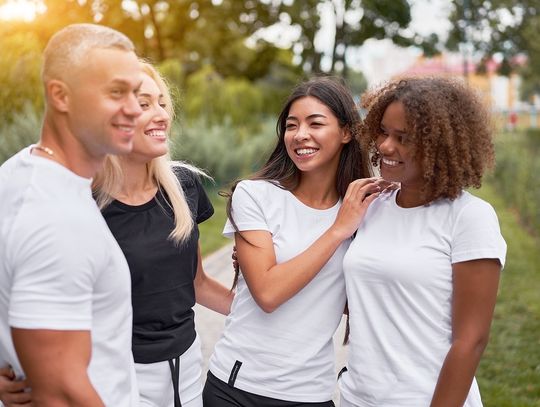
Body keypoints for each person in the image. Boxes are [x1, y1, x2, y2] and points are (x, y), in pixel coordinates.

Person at [203, 77, 388, 406]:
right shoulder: (256, 195)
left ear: (346, 133)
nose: (300, 135)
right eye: (292, 125)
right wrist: (336, 231)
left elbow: (357, 300)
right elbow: (268, 293)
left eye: (315, 123)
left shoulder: (363, 211)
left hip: (311, 392)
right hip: (239, 388)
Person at [339, 76, 507, 406]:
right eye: (383, 131)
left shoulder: (469, 217)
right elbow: (355, 297)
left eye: (403, 138)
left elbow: (470, 340)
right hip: (358, 398)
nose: (386, 146)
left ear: (439, 145)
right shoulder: (372, 208)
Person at [0, 23, 142, 406]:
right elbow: (60, 394)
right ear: (60, 95)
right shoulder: (55, 218)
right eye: (116, 92)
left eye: (136, 93)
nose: (134, 109)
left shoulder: (16, 173)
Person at [92, 62, 233, 407]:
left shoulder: (183, 184)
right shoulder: (84, 204)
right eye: (144, 105)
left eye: (161, 103)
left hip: (186, 370)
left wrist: (269, 311)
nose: (161, 115)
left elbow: (196, 282)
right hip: (117, 379)